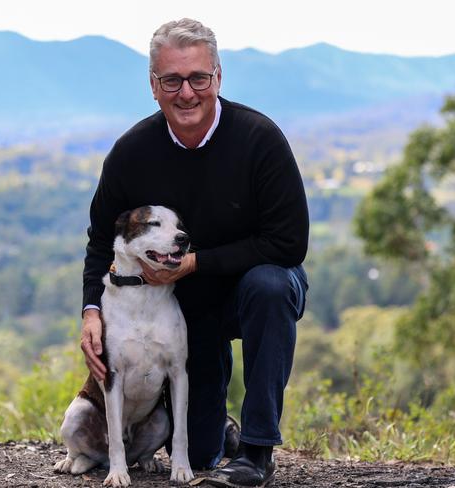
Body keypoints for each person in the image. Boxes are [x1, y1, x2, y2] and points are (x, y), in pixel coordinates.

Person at [80, 18, 309, 488]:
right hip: (183, 312)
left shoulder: (259, 139)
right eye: (172, 80)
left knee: (271, 285)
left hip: (252, 292)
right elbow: (101, 239)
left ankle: (257, 451)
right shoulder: (131, 152)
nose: (186, 92)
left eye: (198, 78)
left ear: (218, 78)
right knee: (200, 456)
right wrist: (90, 311)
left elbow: (290, 243)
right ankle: (219, 432)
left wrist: (196, 262)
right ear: (154, 86)